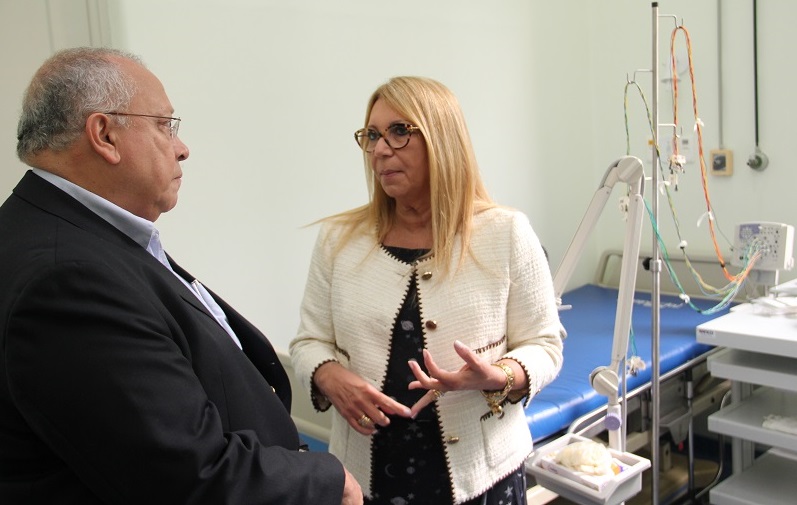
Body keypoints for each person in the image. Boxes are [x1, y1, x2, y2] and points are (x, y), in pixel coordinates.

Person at [0, 47, 362, 505]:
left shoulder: (67, 235)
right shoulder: (67, 280)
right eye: (163, 124)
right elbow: (186, 477)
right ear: (105, 135)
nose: (182, 147)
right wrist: (329, 481)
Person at [290, 76, 566, 505]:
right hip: (367, 478)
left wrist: (500, 375)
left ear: (441, 138)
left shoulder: (506, 233)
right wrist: (328, 375)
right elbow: (308, 342)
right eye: (372, 135)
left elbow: (544, 345)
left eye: (399, 131)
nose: (381, 150)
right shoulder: (338, 241)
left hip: (483, 478)